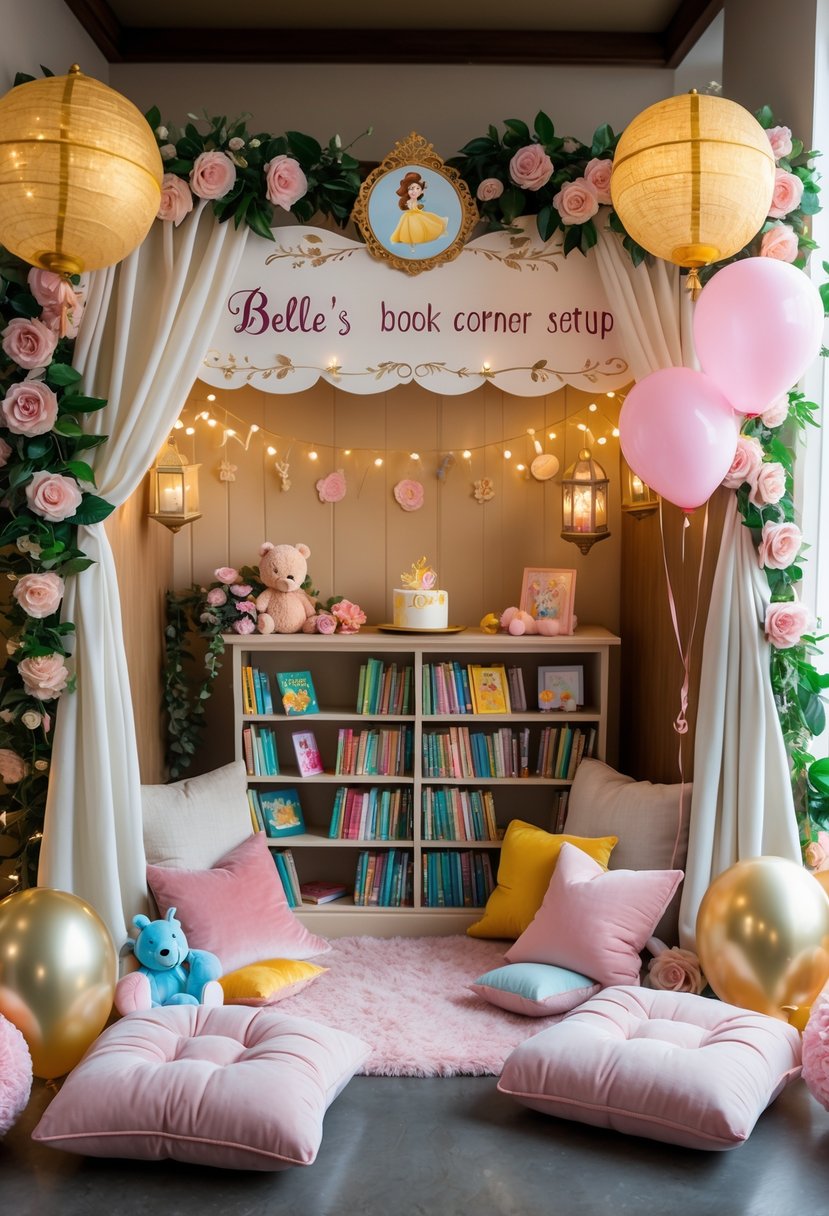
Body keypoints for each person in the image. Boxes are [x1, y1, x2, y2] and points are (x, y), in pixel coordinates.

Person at [389, 171, 448, 249]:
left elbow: (419, 207)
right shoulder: (408, 201)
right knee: (409, 228)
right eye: (411, 188)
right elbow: (409, 207)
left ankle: (416, 241)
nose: (414, 191)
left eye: (417, 188)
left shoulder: (419, 201)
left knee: (422, 227)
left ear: (421, 191)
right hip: (409, 217)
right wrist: (409, 206)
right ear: (407, 190)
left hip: (419, 216)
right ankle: (411, 241)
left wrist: (419, 207)